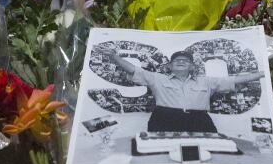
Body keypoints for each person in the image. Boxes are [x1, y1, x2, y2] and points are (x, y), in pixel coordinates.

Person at [99, 49, 264, 133]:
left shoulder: (207, 81)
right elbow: (134, 70)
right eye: (176, 60)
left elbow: (235, 80)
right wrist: (115, 58)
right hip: (164, 118)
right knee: (161, 157)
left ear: (192, 66)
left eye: (185, 60)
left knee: (210, 152)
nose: (181, 61)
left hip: (199, 120)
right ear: (170, 66)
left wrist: (263, 74)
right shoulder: (157, 78)